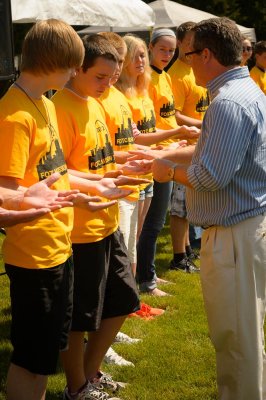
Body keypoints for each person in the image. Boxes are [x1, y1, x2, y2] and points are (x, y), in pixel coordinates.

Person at [148, 17, 266, 400]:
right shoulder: (244, 91)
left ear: (208, 55)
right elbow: (212, 151)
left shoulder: (227, 103)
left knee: (235, 340)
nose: (186, 63)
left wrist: (166, 169)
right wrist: (166, 155)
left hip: (234, 235)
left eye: (189, 54)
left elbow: (211, 175)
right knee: (243, 333)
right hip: (245, 228)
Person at [52, 34, 145, 400]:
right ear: (77, 69)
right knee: (79, 318)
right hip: (79, 231)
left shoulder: (93, 101)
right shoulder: (60, 108)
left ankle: (90, 375)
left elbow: (100, 156)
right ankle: (77, 388)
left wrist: (126, 164)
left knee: (124, 300)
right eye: (101, 77)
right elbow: (57, 174)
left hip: (106, 223)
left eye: (112, 76)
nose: (108, 84)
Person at [0, 19, 85, 400]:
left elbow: (55, 174)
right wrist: (24, 199)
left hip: (58, 247)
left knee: (46, 354)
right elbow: (5, 188)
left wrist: (92, 188)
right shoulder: (13, 115)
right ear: (54, 62)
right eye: (72, 65)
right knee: (31, 358)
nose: (74, 73)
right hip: (33, 256)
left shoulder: (46, 104)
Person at [167, 21, 209, 273]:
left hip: (199, 144)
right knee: (180, 207)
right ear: (180, 43)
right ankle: (178, 257)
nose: (194, 46)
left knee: (188, 205)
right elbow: (174, 115)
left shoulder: (197, 68)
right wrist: (204, 124)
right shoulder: (177, 75)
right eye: (190, 41)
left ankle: (187, 251)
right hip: (185, 145)